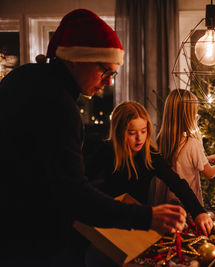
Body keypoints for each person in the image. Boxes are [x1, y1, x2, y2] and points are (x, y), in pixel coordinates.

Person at [0, 9, 186, 267]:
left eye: (114, 74)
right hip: (34, 241)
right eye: (105, 71)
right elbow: (72, 195)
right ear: (76, 58)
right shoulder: (59, 106)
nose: (109, 83)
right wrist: (147, 217)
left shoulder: (24, 77)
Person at [86, 101, 213, 234]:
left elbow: (177, 183)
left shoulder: (150, 155)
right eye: (132, 132)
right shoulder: (105, 151)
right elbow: (85, 183)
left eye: (143, 131)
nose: (139, 138)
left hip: (137, 223)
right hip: (107, 222)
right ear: (119, 132)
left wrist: (198, 212)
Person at [154, 89, 215, 206]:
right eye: (194, 112)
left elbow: (181, 163)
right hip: (187, 205)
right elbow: (209, 173)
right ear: (188, 115)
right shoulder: (192, 143)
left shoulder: (162, 139)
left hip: (165, 204)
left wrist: (207, 158)